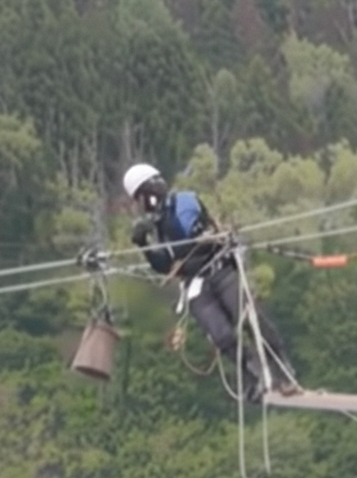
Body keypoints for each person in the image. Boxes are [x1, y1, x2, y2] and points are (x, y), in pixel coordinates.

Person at [122, 163, 299, 401]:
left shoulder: (184, 202)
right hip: (196, 283)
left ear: (149, 193)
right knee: (221, 335)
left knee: (249, 317)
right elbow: (165, 265)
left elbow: (189, 236)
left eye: (140, 198)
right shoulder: (158, 225)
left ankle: (283, 371)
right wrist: (145, 244)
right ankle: (251, 374)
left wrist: (159, 225)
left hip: (219, 269)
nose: (140, 206)